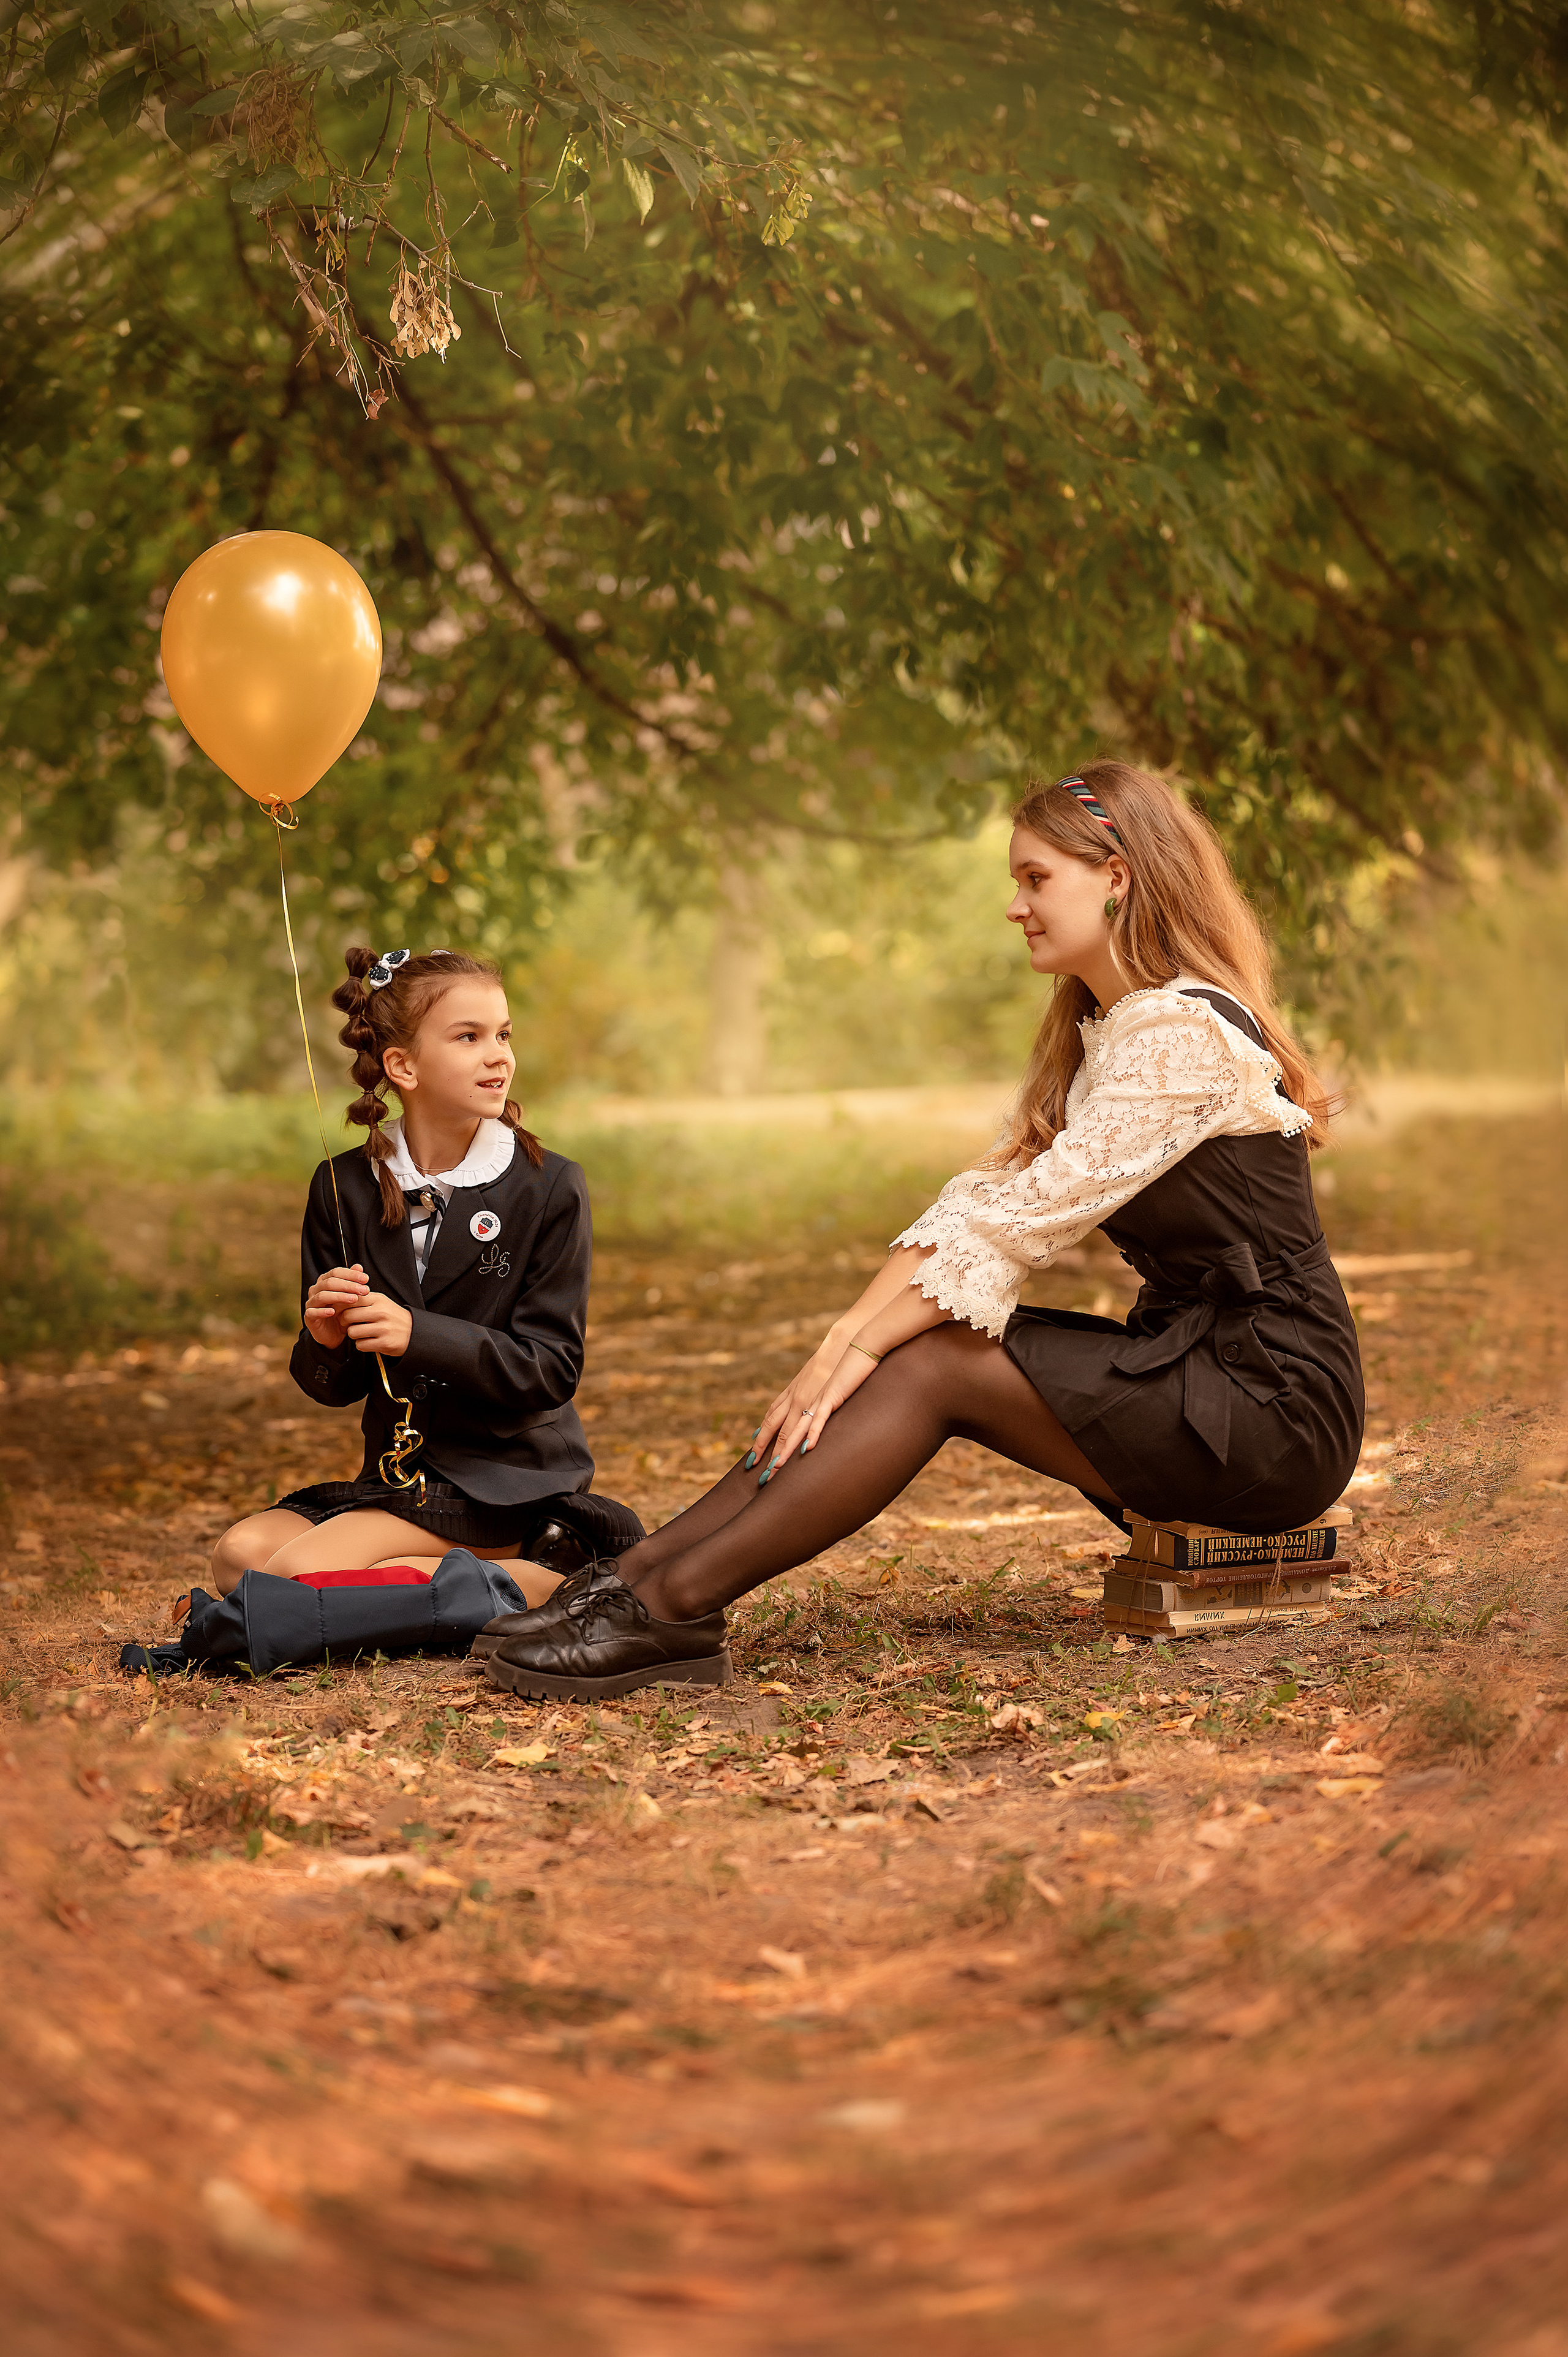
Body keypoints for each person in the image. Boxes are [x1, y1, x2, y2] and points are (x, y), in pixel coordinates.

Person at [481, 761, 1365, 1702]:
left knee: (934, 1361)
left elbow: (1011, 1225)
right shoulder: (1109, 1031)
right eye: (1015, 881)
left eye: (1036, 878)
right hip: (1193, 1376)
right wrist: (843, 1342)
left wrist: (855, 1342)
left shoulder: (1179, 1037)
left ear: (1116, 875)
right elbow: (972, 1198)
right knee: (918, 1346)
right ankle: (635, 1582)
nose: (1016, 905)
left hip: (1272, 1408)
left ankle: (673, 1605)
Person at [209, 946, 639, 1598]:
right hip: (396, 1476)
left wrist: (418, 1333)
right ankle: (485, 1583)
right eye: (469, 1037)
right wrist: (324, 1339)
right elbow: (333, 1387)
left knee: (297, 1576)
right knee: (236, 1557)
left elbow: (551, 1369)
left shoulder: (548, 1187)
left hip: (503, 1480)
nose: (498, 1055)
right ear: (402, 1065)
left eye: (502, 1034)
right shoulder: (343, 1186)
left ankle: (545, 1573)